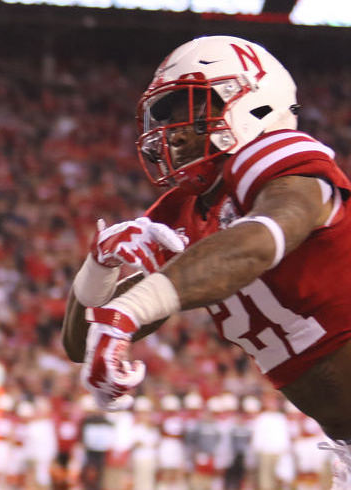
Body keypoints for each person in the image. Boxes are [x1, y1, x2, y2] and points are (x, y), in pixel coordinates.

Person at [62, 34, 351, 488]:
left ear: (251, 103)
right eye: (168, 117)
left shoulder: (274, 157)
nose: (174, 131)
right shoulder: (179, 214)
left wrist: (128, 311)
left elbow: (263, 238)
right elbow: (80, 343)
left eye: (190, 110)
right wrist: (100, 267)